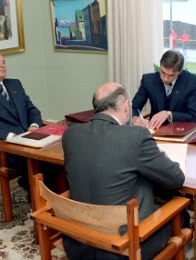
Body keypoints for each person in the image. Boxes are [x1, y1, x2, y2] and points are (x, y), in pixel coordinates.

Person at [62, 82, 186, 259]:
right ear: (125, 104)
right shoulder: (136, 137)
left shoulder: (71, 134)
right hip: (124, 247)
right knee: (182, 214)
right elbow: (176, 179)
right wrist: (150, 145)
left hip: (78, 243)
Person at [0, 52, 55, 192]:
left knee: (56, 157)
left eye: (3, 62)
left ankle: (54, 196)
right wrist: (12, 137)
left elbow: (32, 109)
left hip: (28, 139)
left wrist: (34, 125)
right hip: (0, 146)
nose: (2, 65)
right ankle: (38, 201)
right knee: (41, 162)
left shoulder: (15, 84)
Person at [131, 50, 196, 129]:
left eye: (171, 75)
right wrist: (135, 118)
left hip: (180, 131)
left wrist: (168, 114)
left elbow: (193, 116)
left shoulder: (192, 82)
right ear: (160, 66)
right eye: (163, 72)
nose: (165, 78)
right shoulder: (148, 80)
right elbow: (134, 107)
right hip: (155, 131)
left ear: (179, 72)